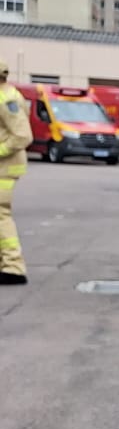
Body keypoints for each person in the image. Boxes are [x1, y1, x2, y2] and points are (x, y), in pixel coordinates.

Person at [0, 58, 28, 284]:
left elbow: (22, 136)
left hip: (5, 167)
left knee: (1, 214)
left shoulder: (6, 98)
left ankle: (13, 266)